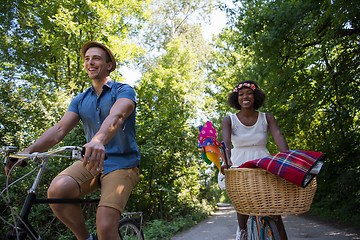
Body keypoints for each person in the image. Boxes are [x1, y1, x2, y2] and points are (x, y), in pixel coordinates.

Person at [4, 41, 140, 240]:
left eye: (96, 58)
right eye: (86, 59)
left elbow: (117, 116)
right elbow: (59, 130)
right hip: (92, 162)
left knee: (105, 226)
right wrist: (28, 151)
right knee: (58, 189)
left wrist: (98, 140)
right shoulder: (80, 100)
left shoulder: (124, 90)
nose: (90, 62)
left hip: (122, 164)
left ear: (109, 65)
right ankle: (85, 239)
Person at [220, 80, 289, 240]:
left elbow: (278, 137)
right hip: (238, 164)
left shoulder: (267, 118)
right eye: (241, 94)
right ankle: (242, 231)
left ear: (255, 96)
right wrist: (227, 161)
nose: (245, 97)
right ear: (236, 98)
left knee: (274, 211)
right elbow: (226, 143)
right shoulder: (229, 120)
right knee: (242, 202)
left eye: (249, 93)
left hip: (263, 163)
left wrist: (288, 157)